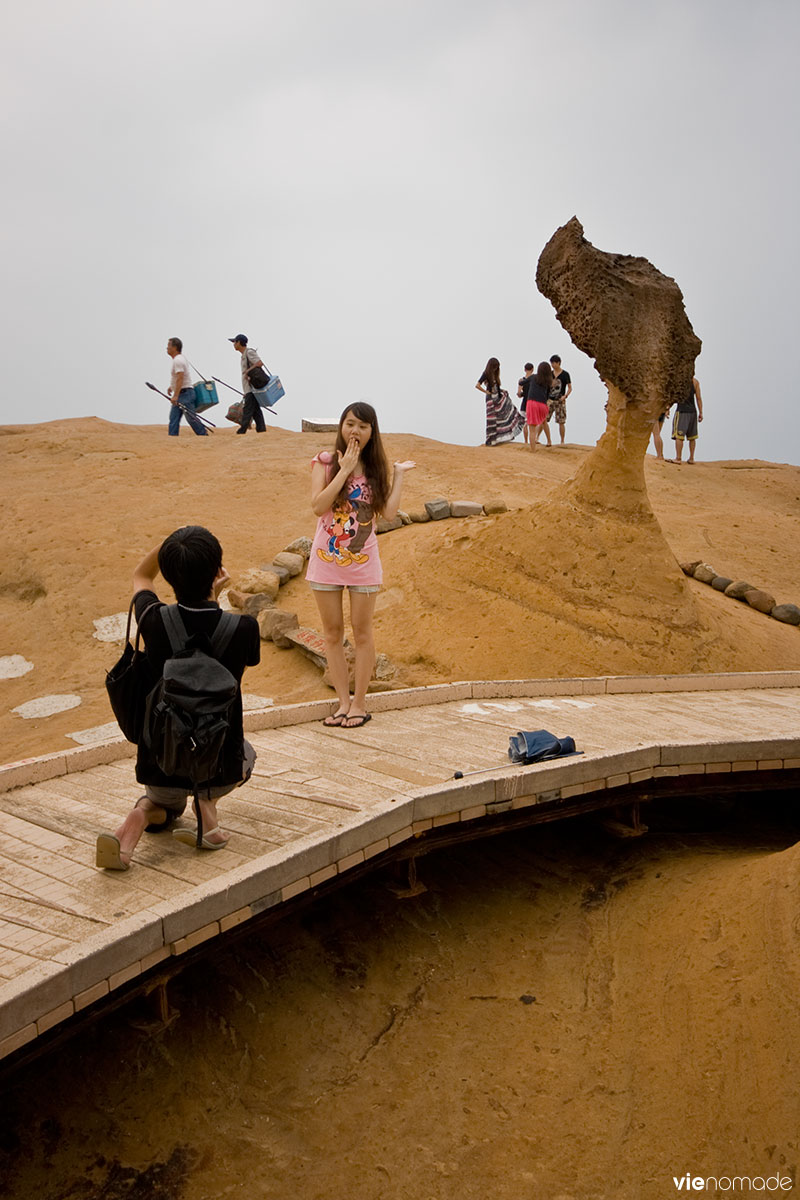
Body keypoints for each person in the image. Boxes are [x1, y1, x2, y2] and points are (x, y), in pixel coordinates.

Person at [95, 526, 261, 870]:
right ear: (218, 572)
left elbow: (142, 574)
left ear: (170, 576)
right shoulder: (244, 628)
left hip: (161, 766)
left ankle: (141, 815)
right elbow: (217, 653)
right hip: (220, 766)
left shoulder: (153, 620)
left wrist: (172, 541)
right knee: (248, 754)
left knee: (164, 802)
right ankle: (207, 809)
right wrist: (213, 597)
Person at [306, 402, 415, 729]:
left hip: (364, 561)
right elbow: (318, 506)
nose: (355, 431)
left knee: (363, 632)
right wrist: (344, 468)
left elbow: (391, 513)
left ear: (372, 431)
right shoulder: (324, 462)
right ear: (342, 426)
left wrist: (397, 476)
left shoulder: (377, 469)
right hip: (326, 560)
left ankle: (360, 704)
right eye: (350, 424)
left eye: (363, 426)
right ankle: (342, 703)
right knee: (332, 633)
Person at [476, 357, 525, 446]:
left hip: (497, 397)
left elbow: (497, 388)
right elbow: (477, 385)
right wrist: (486, 391)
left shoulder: (495, 374)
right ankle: (492, 440)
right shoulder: (486, 373)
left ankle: (501, 437)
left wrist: (502, 391)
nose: (496, 369)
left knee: (504, 413)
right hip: (491, 399)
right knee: (492, 419)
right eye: (495, 367)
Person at [166, 338, 207, 436]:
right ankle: (172, 438)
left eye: (169, 345)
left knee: (191, 418)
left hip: (185, 394)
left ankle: (203, 434)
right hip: (182, 392)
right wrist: (172, 387)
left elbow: (180, 377)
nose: (167, 348)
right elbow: (179, 378)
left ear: (175, 347)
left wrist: (175, 396)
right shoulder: (180, 359)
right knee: (173, 418)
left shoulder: (178, 360)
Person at [229, 334, 267, 435]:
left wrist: (247, 371)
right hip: (249, 389)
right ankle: (261, 430)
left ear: (239, 342)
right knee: (255, 411)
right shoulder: (243, 355)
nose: (233, 344)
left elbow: (259, 363)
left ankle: (242, 431)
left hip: (252, 388)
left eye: (234, 342)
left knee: (248, 409)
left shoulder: (249, 352)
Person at [671, 376, 703, 463]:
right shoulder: (695, 382)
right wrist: (700, 412)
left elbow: (673, 396)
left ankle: (678, 458)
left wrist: (667, 407)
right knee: (692, 437)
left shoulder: (679, 380)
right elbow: (698, 398)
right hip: (693, 411)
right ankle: (691, 458)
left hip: (682, 411)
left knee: (679, 436)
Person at [526, 362, 553, 450]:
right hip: (542, 405)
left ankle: (533, 450)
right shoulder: (548, 381)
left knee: (532, 429)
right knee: (544, 422)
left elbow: (523, 382)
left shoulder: (533, 377)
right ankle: (549, 441)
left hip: (532, 403)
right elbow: (548, 395)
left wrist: (526, 378)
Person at [548, 354, 572, 445]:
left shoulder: (565, 374)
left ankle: (562, 441)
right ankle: (537, 438)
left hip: (560, 400)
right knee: (543, 419)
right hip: (549, 400)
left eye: (554, 363)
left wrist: (565, 396)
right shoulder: (550, 374)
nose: (552, 365)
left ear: (558, 363)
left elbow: (570, 388)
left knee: (561, 421)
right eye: (551, 363)